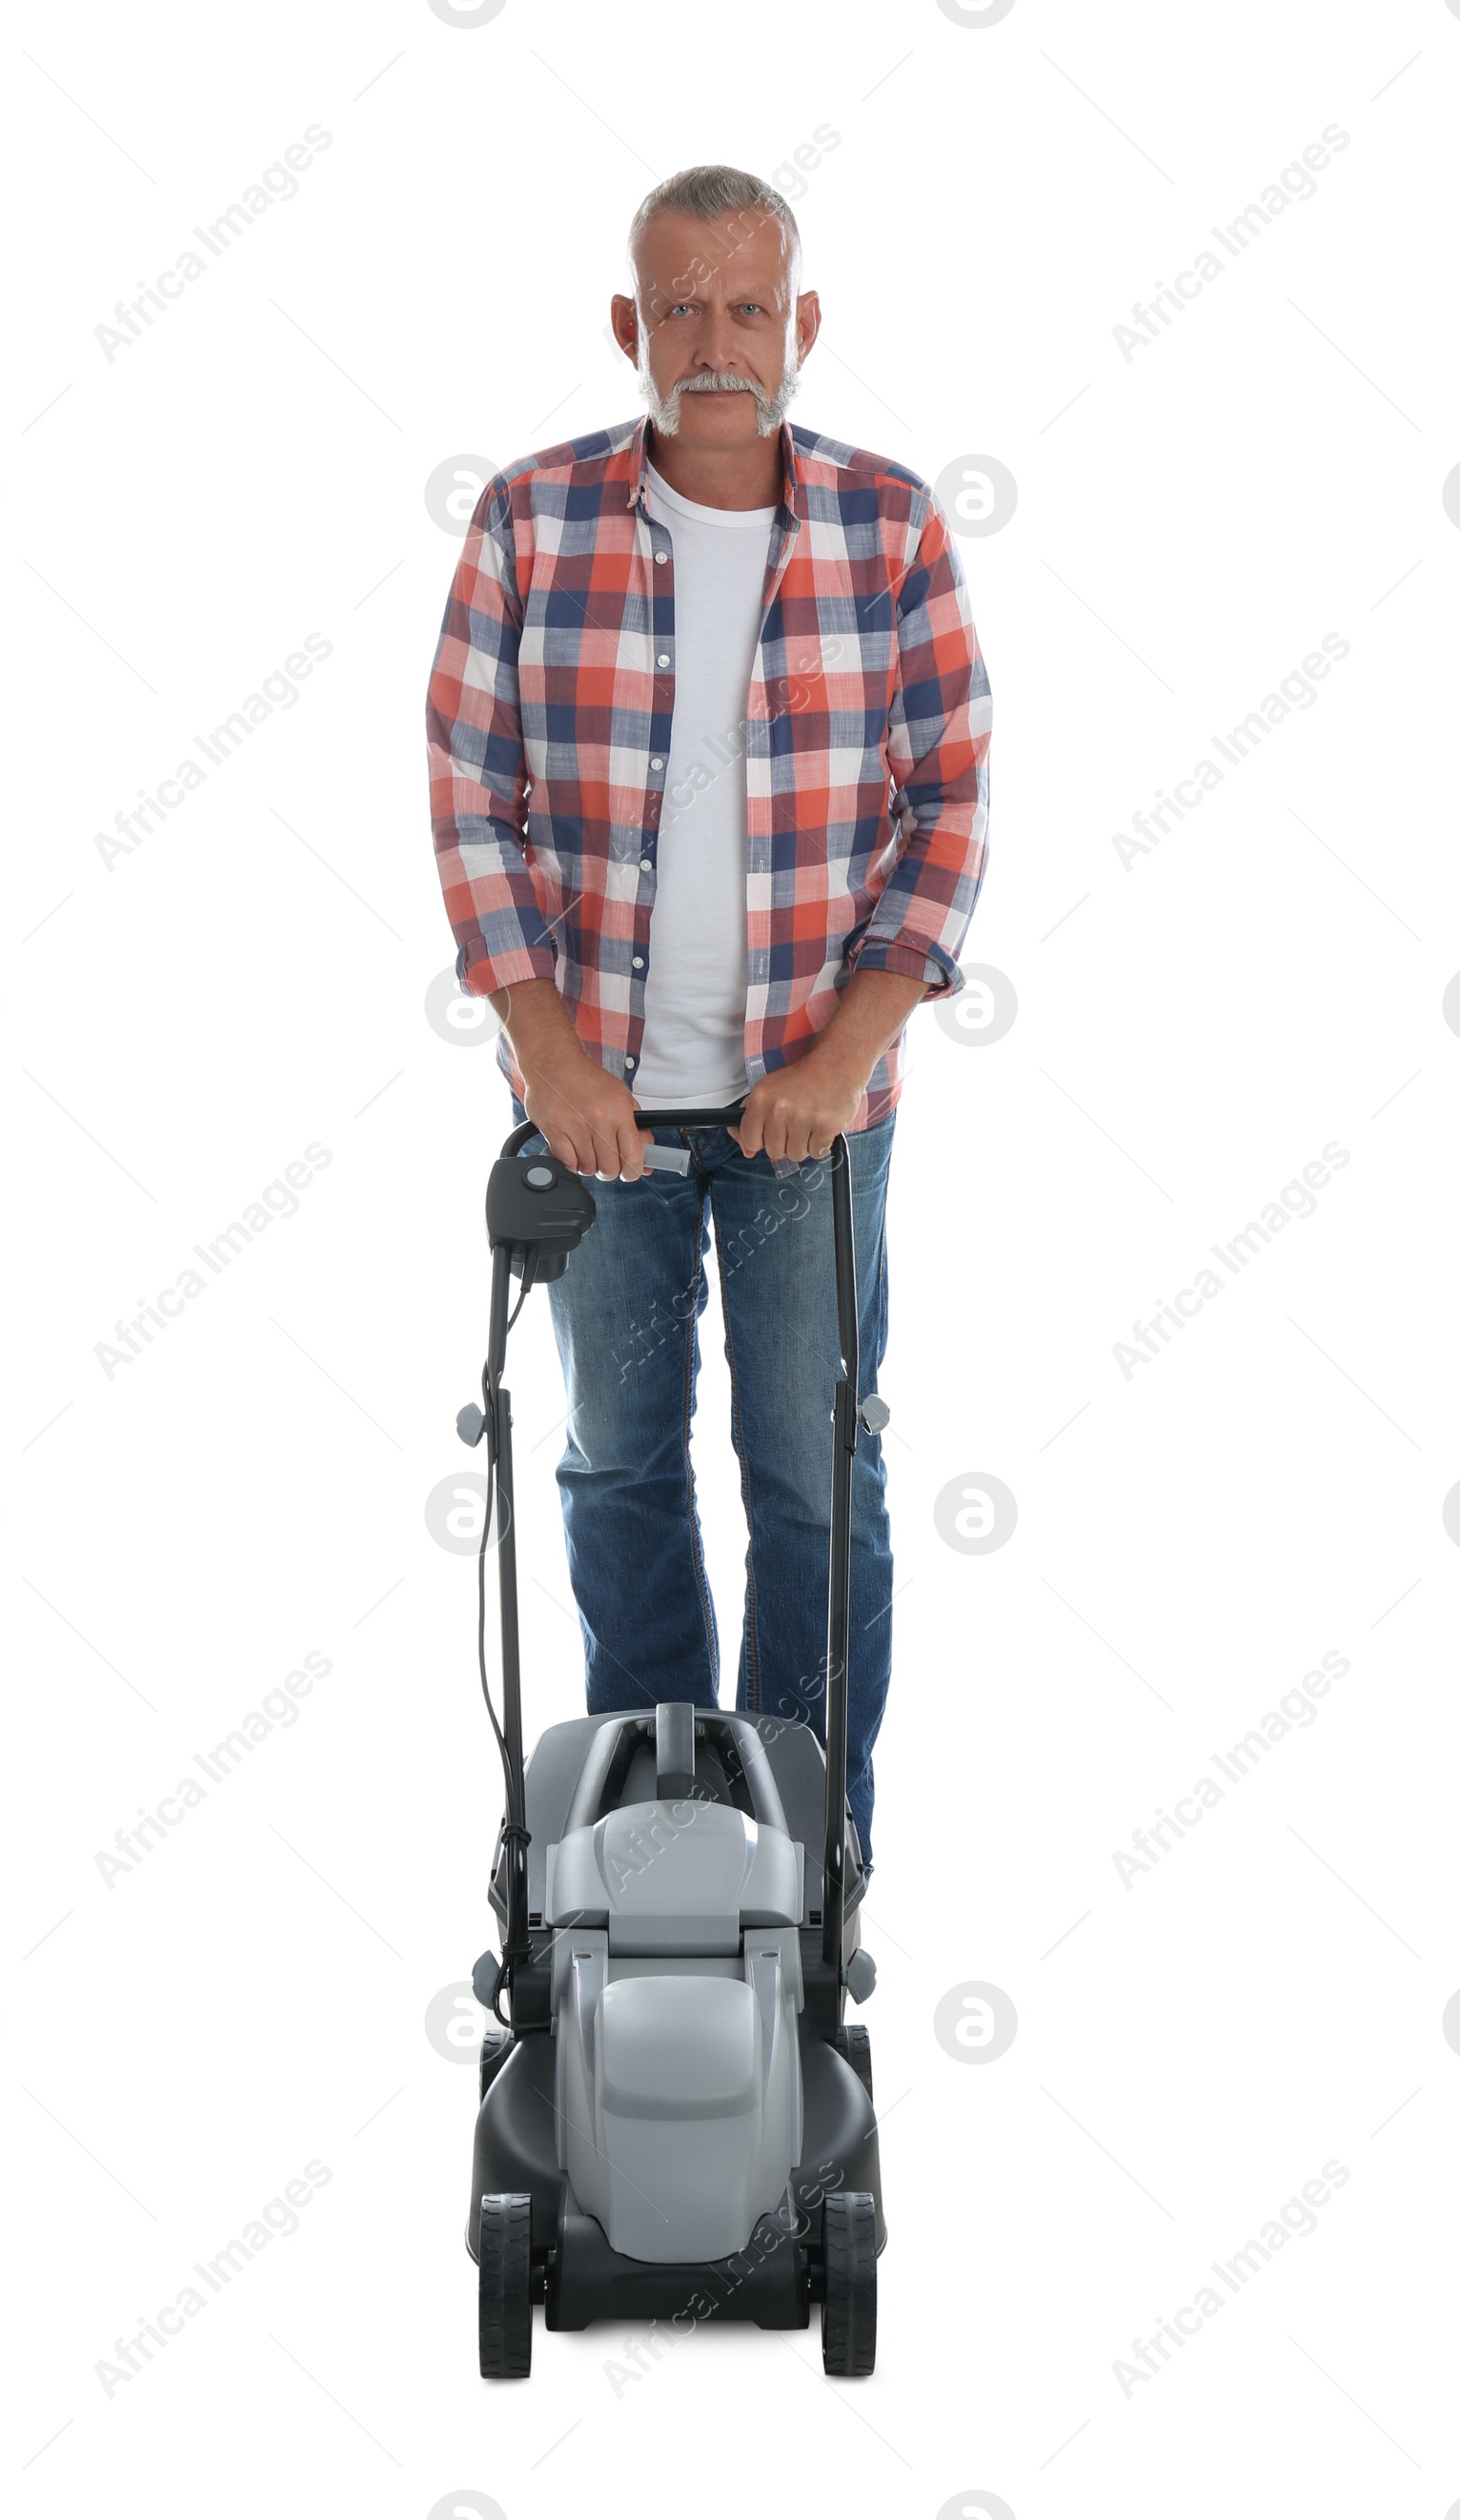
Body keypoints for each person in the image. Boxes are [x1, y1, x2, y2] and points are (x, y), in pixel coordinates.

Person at [426, 164, 990, 1871]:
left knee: (817, 1483)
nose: (718, 341)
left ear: (802, 327)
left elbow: (948, 805)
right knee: (614, 1470)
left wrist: (841, 1058)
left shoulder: (891, 528)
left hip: (810, 1122)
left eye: (751, 307)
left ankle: (803, 1867)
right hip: (595, 1110)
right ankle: (648, 1838)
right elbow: (472, 790)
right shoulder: (533, 521)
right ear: (631, 328)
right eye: (683, 307)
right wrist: (548, 1058)